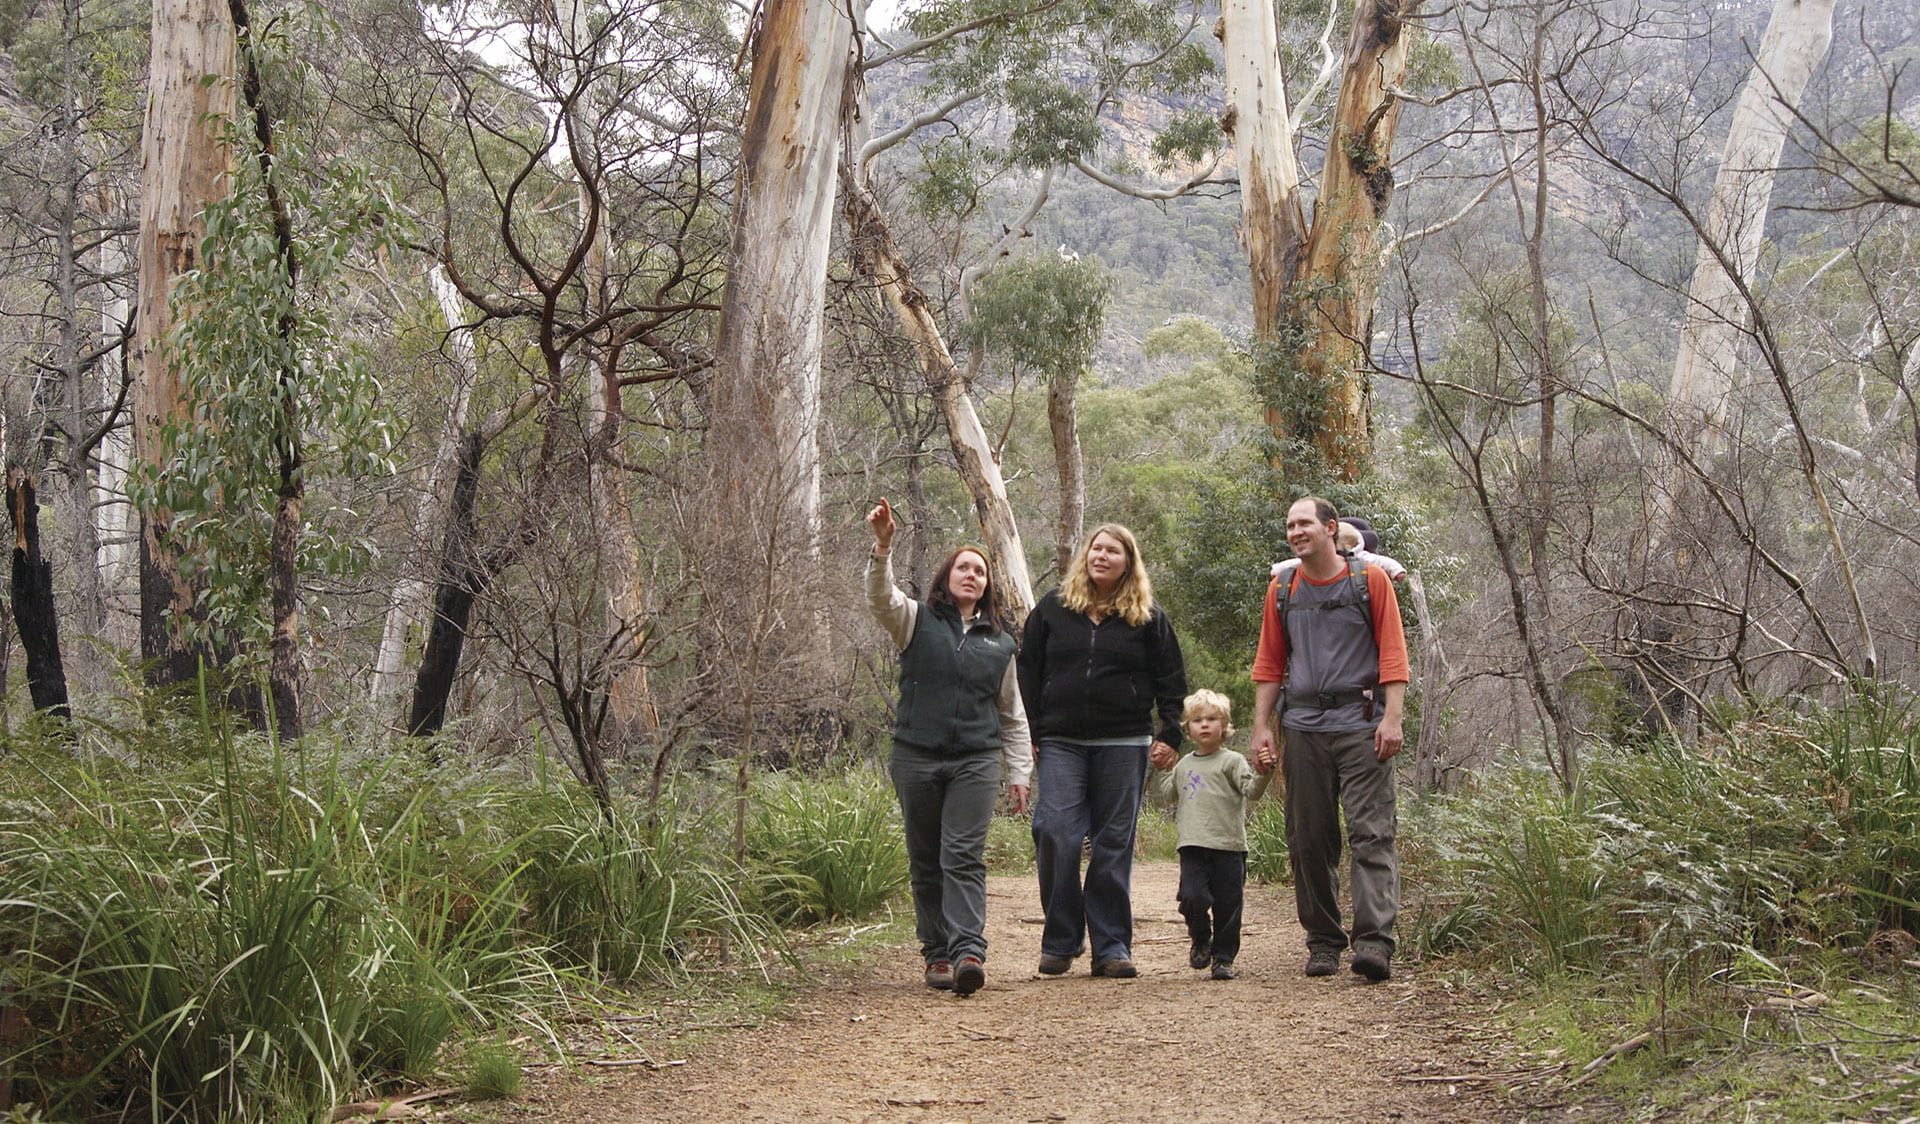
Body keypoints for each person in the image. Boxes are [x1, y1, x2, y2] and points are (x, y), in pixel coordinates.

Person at [865, 498, 1032, 997]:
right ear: (947, 576)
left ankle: (968, 953)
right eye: (963, 567)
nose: (971, 575)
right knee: (925, 857)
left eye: (980, 571)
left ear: (988, 585)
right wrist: (882, 547)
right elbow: (880, 597)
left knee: (962, 854)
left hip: (975, 761)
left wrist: (1019, 773)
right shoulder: (915, 620)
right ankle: (936, 953)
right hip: (915, 756)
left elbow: (1012, 715)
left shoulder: (1001, 644)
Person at [1250, 496, 1411, 983]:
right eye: (1290, 526)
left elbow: (1393, 652)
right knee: (1308, 838)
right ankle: (1323, 941)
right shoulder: (1282, 588)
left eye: (1304, 523)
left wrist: (1392, 718)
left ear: (1331, 528)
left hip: (1363, 724)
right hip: (1303, 728)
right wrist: (1261, 727)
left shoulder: (1370, 581)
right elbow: (1269, 662)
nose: (1296, 532)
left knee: (1371, 833)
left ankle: (1374, 943)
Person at [1019, 523, 1187, 980]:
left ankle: (1111, 946)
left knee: (1114, 843)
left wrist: (1171, 732)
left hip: (1124, 741)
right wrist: (1030, 730)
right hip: (1060, 741)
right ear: (1086, 555)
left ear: (1128, 562)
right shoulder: (1054, 608)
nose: (1102, 556)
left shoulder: (1147, 616)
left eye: (1113, 551)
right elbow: (1027, 670)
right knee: (1055, 832)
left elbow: (1172, 678)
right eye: (1097, 548)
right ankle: (1062, 939)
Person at [1147, 689, 1271, 980]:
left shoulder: (1232, 761)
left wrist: (1264, 771)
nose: (1204, 725)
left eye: (1212, 719)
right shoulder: (1184, 765)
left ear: (1224, 725)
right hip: (1192, 847)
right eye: (1197, 720)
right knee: (1192, 896)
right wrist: (1162, 768)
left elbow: (1252, 791)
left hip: (1229, 847)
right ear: (1188, 728)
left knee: (1228, 906)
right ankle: (1201, 937)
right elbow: (1168, 794)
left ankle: (1223, 958)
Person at [1271, 518, 1407, 584]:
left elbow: (1382, 561)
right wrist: (1278, 570)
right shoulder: (1322, 557)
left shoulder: (1362, 557)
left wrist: (1397, 571)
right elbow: (1298, 563)